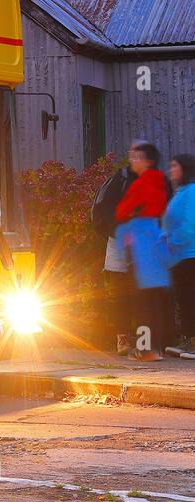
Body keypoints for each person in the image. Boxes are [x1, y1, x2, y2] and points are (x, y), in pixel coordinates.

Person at [115, 142, 173, 361]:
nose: (132, 159)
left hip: (141, 243)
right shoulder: (162, 181)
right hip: (157, 242)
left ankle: (145, 348)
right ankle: (155, 345)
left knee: (142, 301)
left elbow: (122, 210)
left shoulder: (142, 184)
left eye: (136, 155)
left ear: (147, 160)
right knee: (154, 299)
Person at [93, 161, 135, 353]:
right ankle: (135, 339)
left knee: (120, 294)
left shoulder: (117, 181)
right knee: (135, 294)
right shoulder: (126, 181)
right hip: (130, 243)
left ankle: (123, 338)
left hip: (117, 242)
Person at [164, 154, 195, 358]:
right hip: (178, 256)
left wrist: (172, 241)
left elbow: (190, 226)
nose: (171, 170)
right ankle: (188, 338)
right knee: (183, 299)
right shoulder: (180, 192)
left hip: (189, 254)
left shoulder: (192, 192)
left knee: (190, 298)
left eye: (175, 166)